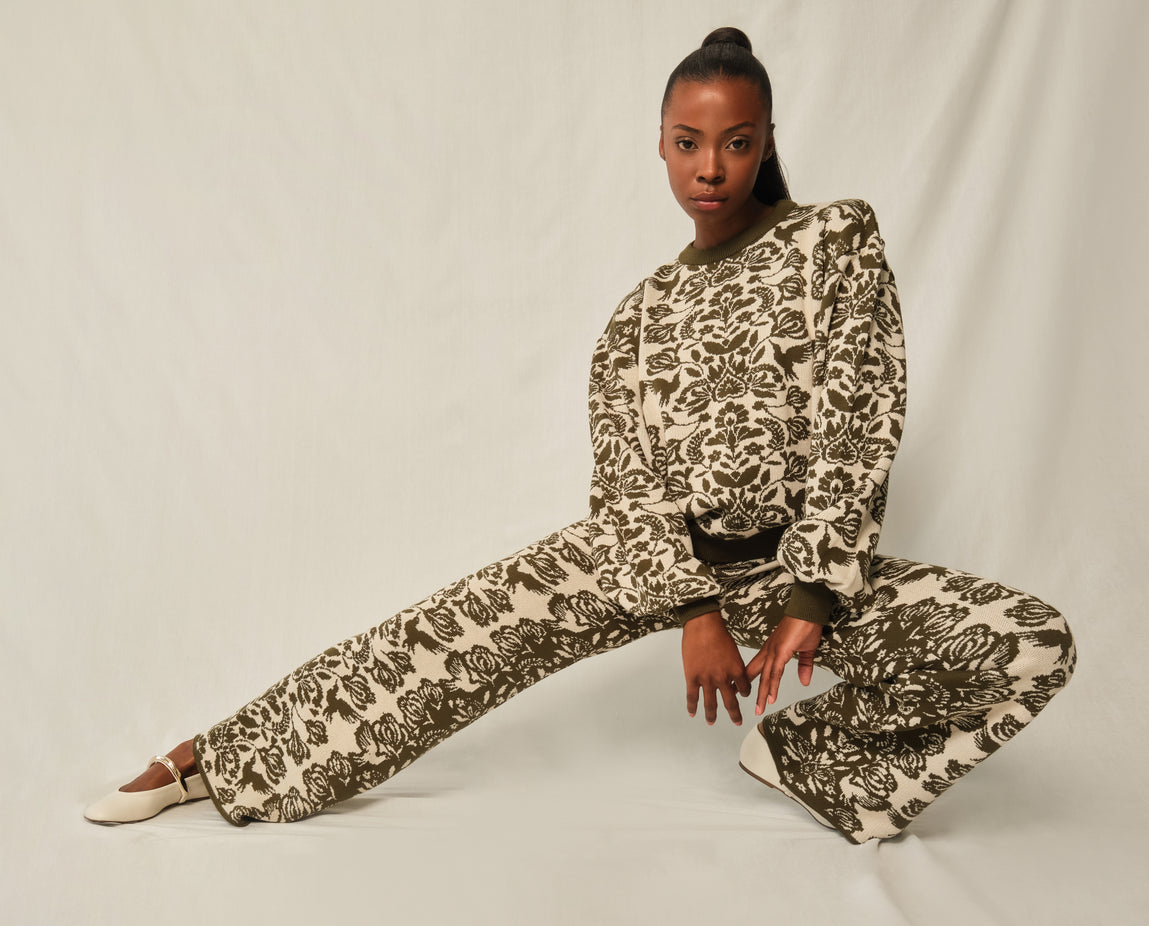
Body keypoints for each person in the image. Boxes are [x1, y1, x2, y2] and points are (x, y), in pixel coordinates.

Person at [84, 26, 1076, 845]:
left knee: (1030, 643)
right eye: (686, 142)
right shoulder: (636, 319)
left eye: (733, 141)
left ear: (766, 137)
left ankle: (804, 761)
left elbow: (857, 421)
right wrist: (692, 613)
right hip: (648, 559)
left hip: (795, 566)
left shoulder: (832, 241)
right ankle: (222, 758)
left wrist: (809, 597)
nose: (709, 168)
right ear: (657, 144)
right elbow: (629, 489)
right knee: (447, 638)